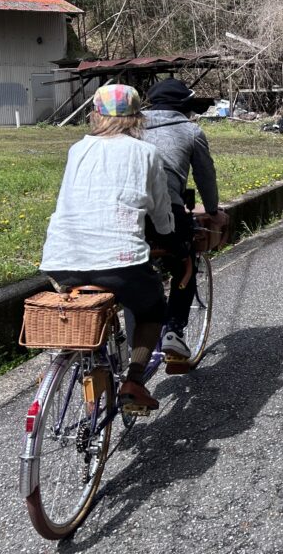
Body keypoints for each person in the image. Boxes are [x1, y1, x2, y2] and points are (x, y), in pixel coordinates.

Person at [40, 84, 173, 410]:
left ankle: (87, 360)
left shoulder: (77, 150)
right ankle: (134, 381)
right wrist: (168, 234)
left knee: (87, 301)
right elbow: (160, 211)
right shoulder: (146, 153)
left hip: (61, 260)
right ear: (137, 118)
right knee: (152, 308)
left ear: (94, 116)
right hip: (119, 262)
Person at [141, 78, 228, 360]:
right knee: (184, 260)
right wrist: (213, 211)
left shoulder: (129, 127)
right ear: (184, 105)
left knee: (133, 269)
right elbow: (205, 175)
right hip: (166, 210)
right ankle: (174, 331)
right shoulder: (191, 131)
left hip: (125, 212)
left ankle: (135, 343)